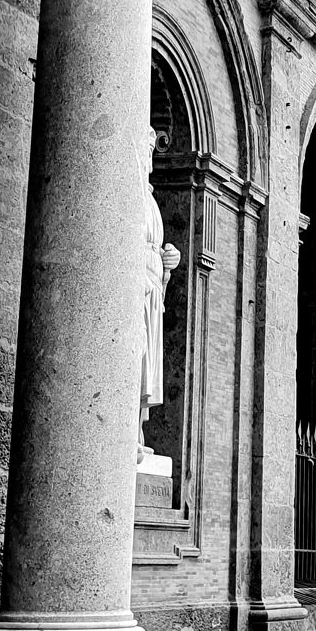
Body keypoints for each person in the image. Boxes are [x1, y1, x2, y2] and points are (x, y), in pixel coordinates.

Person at [138, 126, 181, 462]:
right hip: (139, 289)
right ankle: (127, 434)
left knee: (148, 366)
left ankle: (137, 430)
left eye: (153, 152)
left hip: (154, 291)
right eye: (146, 150)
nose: (150, 158)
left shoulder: (150, 198)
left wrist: (169, 264)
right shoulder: (132, 192)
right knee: (137, 360)